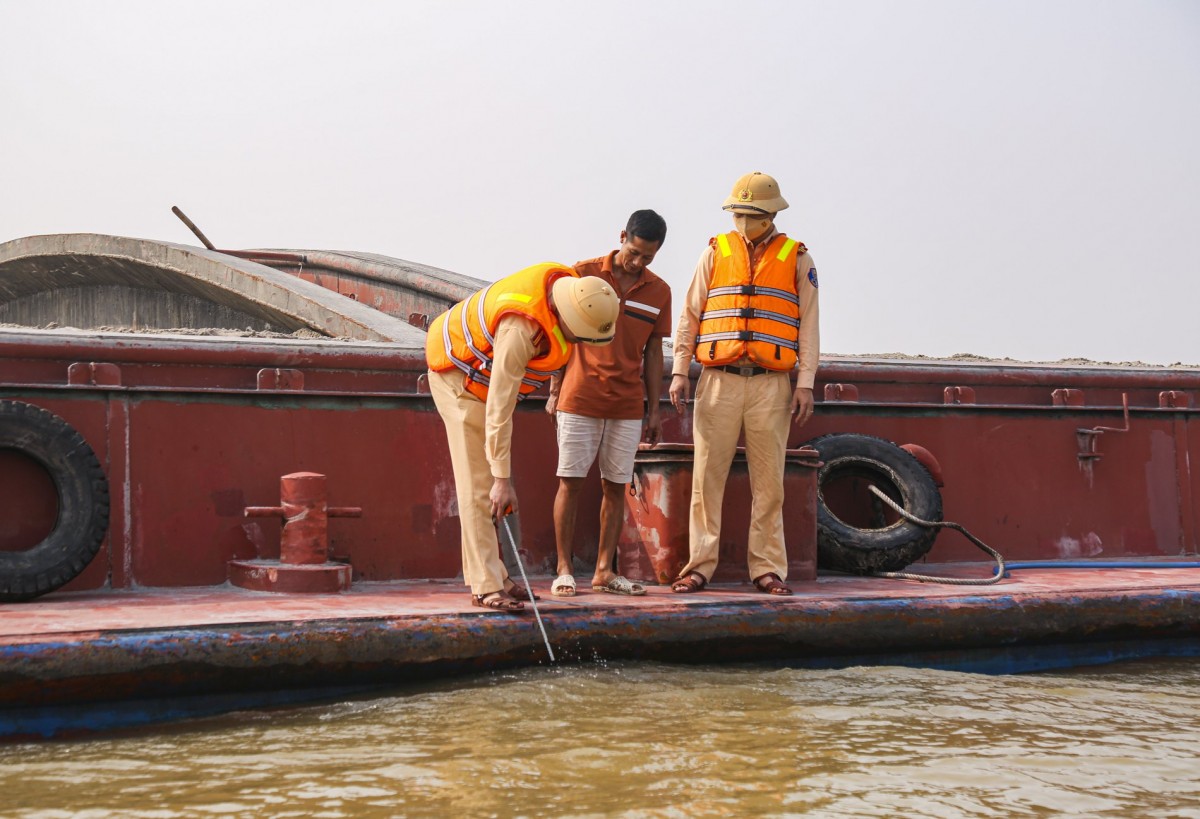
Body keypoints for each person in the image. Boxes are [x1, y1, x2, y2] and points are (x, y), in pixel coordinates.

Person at [425, 263, 620, 612]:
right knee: (479, 485)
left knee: (490, 483)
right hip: (458, 377)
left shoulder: (574, 295)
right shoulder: (519, 330)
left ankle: (495, 575)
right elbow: (498, 408)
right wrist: (502, 480)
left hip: (483, 384)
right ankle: (485, 587)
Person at [667, 171, 820, 596]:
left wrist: (804, 382)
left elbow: (808, 326)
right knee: (705, 478)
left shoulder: (798, 258)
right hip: (717, 379)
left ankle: (767, 568)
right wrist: (680, 369)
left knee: (769, 483)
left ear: (770, 214)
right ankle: (699, 566)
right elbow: (690, 315)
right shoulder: (715, 252)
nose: (743, 221)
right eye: (737, 212)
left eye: (750, 214)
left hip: (772, 384)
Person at [545, 210, 673, 598]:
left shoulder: (660, 291)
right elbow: (558, 334)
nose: (638, 262)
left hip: (627, 403)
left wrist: (654, 410)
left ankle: (604, 571)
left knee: (616, 486)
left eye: (648, 257)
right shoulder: (581, 274)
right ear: (622, 237)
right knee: (570, 482)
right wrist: (553, 390)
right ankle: (564, 569)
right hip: (579, 395)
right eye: (634, 252)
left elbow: (654, 353)